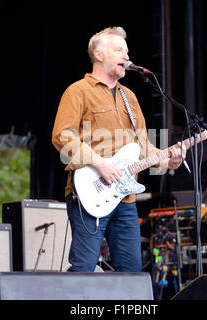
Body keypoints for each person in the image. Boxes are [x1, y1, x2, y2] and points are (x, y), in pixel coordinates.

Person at [52, 26, 185, 272]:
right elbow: (62, 137)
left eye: (127, 51)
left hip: (125, 198)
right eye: (119, 50)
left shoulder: (130, 97)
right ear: (99, 54)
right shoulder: (78, 91)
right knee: (83, 268)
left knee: (131, 273)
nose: (126, 56)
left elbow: (143, 147)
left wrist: (168, 161)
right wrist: (99, 162)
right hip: (89, 193)